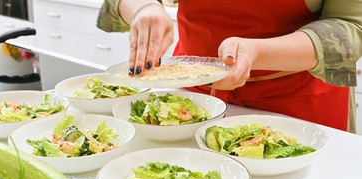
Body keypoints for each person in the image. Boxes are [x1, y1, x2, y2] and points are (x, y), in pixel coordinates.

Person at [96, 0, 362, 133]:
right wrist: (143, 8)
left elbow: (350, 27)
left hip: (298, 102)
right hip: (193, 95)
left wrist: (258, 52)